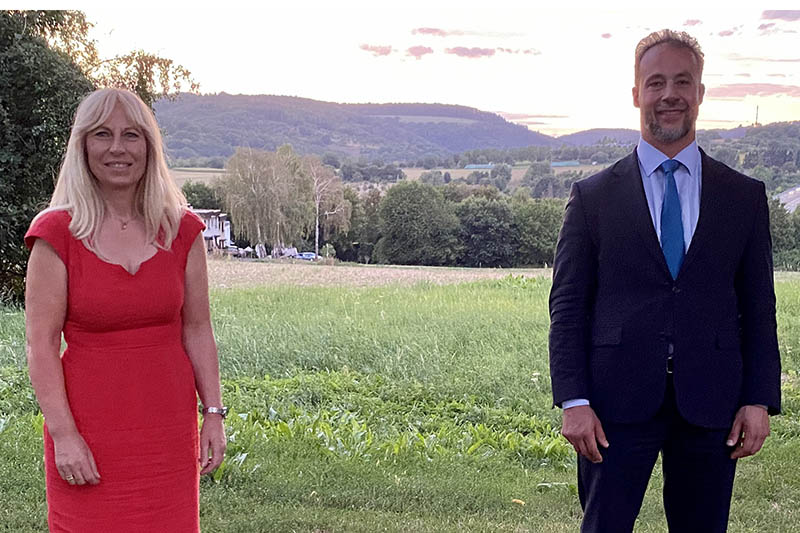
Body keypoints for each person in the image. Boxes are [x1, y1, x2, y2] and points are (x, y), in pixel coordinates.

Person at [549, 29, 781, 532]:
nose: (669, 93)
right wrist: (573, 400)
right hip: (613, 406)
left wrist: (759, 398)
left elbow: (759, 305)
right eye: (656, 82)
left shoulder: (743, 196)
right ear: (636, 94)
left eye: (683, 81)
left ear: (700, 92)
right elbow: (568, 306)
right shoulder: (592, 197)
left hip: (712, 402)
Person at [24, 88, 227, 532]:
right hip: (88, 433)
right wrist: (64, 435)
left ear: (149, 147)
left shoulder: (183, 231)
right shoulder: (55, 234)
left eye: (132, 135)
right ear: (83, 147)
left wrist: (213, 414)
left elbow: (197, 329)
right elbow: (40, 345)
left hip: (168, 435)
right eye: (102, 134)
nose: (117, 148)